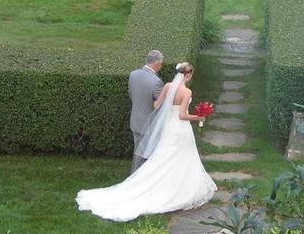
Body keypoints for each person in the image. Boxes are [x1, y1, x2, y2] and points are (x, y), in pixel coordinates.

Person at [76, 61, 216, 222]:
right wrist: (199, 117)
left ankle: (159, 183)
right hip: (180, 129)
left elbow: (156, 105)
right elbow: (182, 115)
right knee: (180, 157)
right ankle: (177, 188)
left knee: (163, 156)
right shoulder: (187, 92)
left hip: (167, 127)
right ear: (188, 75)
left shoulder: (168, 86)